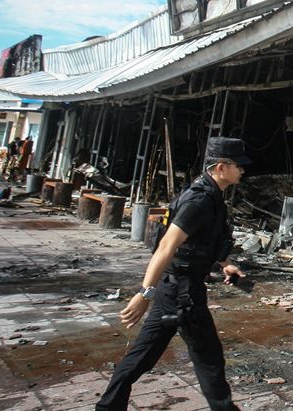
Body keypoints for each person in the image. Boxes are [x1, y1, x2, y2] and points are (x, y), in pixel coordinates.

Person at [95, 137, 250, 411]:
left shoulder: (212, 196)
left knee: (143, 355)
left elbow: (200, 241)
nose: (243, 171)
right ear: (221, 167)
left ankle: (108, 407)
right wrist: (144, 294)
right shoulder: (199, 200)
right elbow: (166, 246)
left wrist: (224, 262)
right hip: (182, 292)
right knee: (209, 358)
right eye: (238, 165)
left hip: (175, 289)